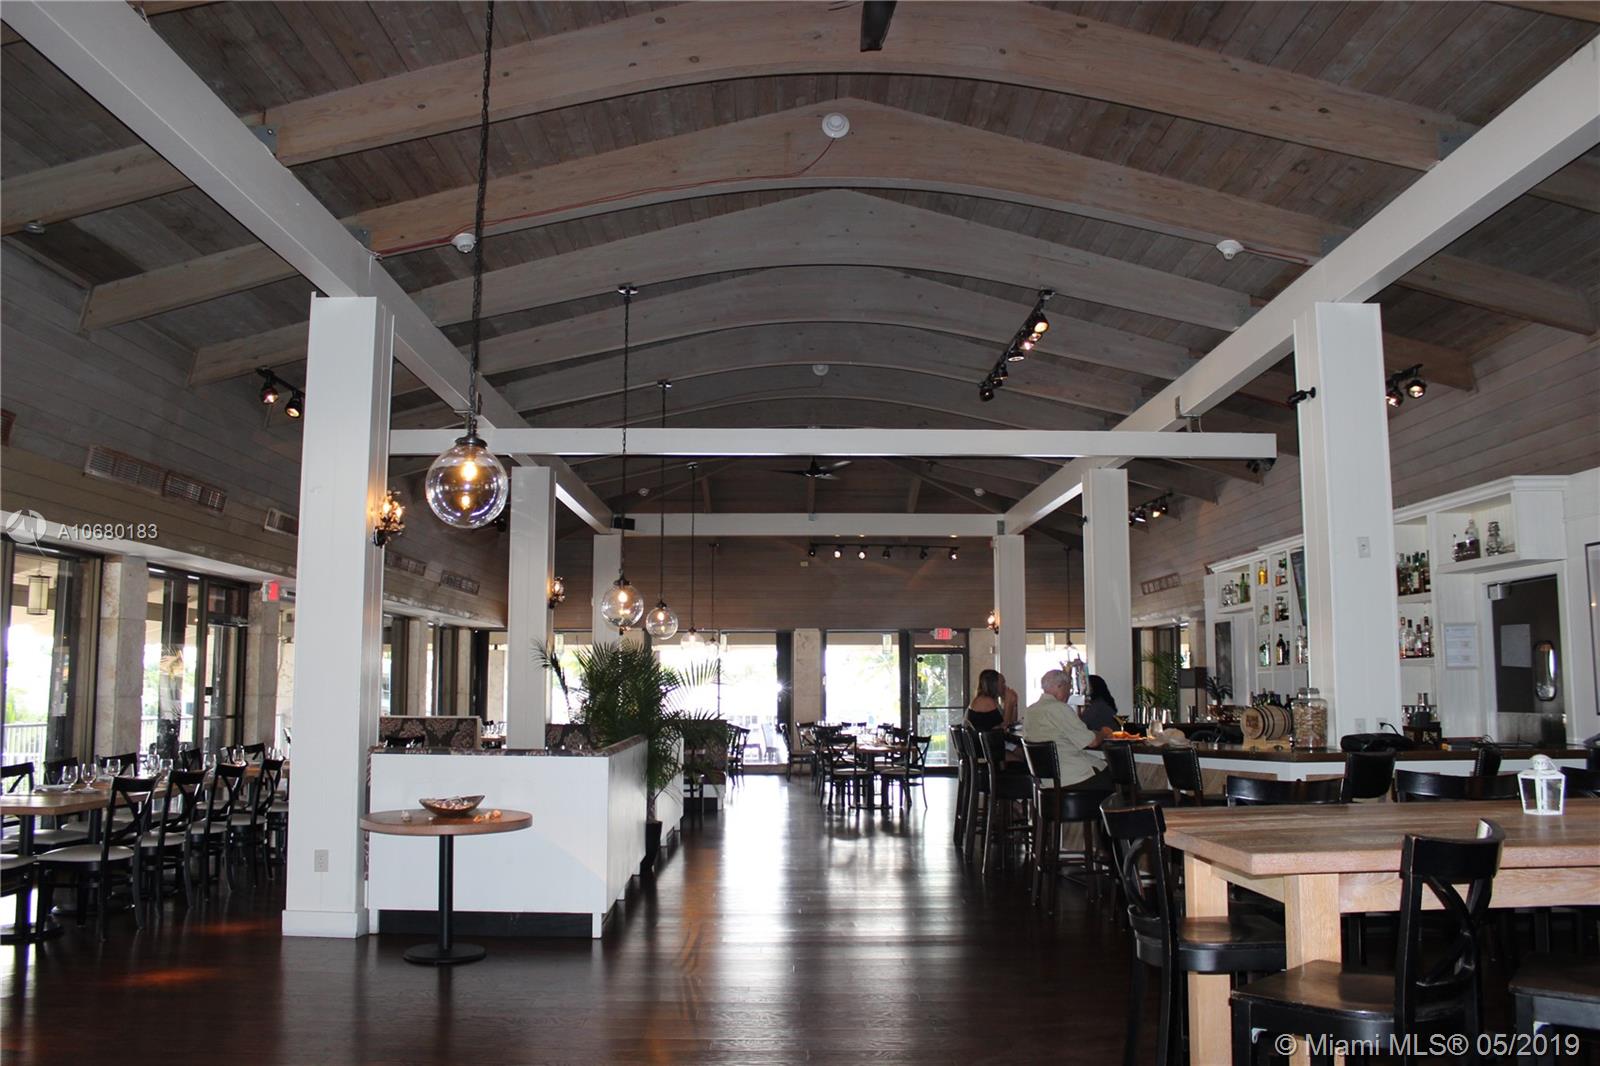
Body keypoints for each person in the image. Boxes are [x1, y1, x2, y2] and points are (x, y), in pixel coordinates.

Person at [1023, 669, 1112, 789]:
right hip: (1073, 778)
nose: (1069, 694)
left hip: (1046, 781)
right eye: (1068, 689)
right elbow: (1092, 742)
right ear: (1060, 686)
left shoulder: (1030, 711)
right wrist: (1104, 732)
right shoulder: (1060, 708)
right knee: (1118, 772)